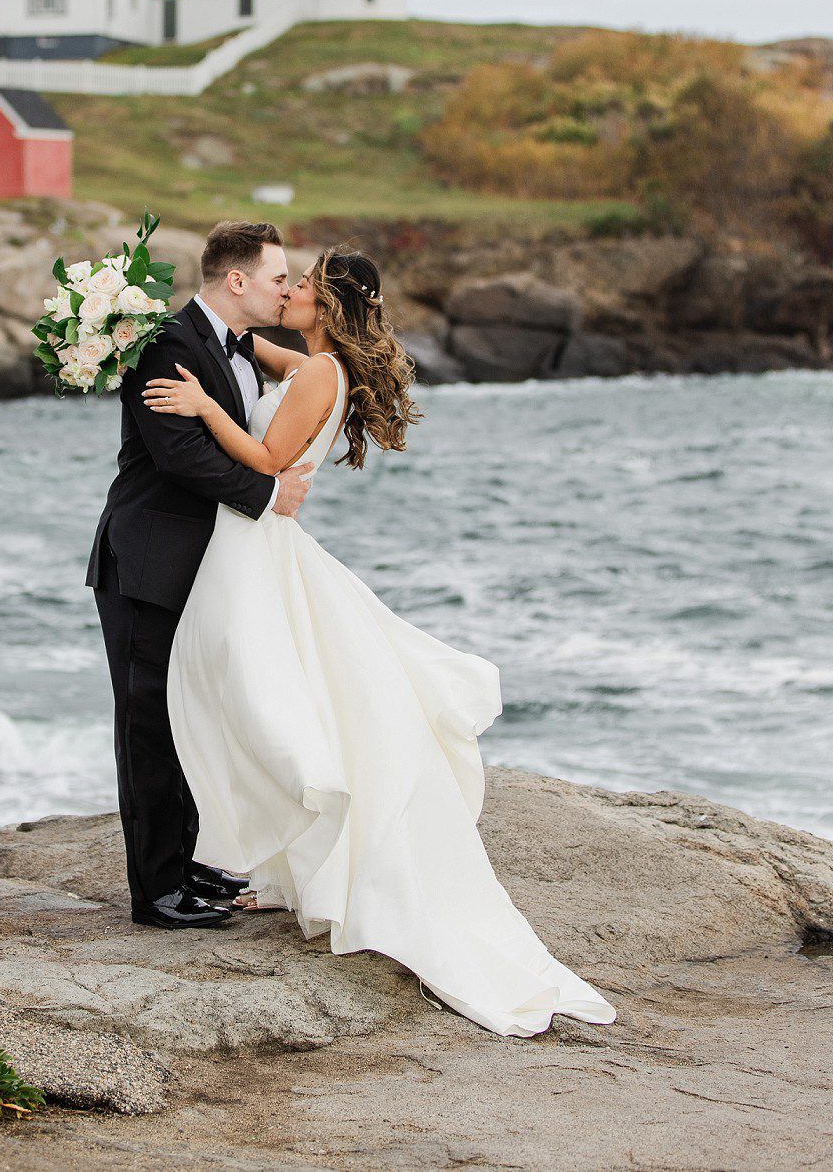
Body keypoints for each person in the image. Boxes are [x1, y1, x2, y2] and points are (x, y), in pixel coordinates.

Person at [143, 248, 617, 1037]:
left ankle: (271, 841)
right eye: (283, 280)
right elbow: (238, 343)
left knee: (248, 695)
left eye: (300, 286)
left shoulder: (321, 376)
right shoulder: (309, 362)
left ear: (325, 305)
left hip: (252, 549)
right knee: (241, 689)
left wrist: (202, 406)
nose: (288, 290)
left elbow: (265, 459)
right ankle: (260, 852)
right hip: (249, 546)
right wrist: (165, 331)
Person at [86, 221, 313, 930]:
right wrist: (270, 497)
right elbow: (180, 455)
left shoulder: (241, 345)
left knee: (187, 715)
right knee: (149, 721)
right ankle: (155, 892)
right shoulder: (165, 345)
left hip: (202, 564)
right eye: (279, 277)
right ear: (236, 281)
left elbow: (305, 384)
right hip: (147, 562)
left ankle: (182, 863)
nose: (287, 288)